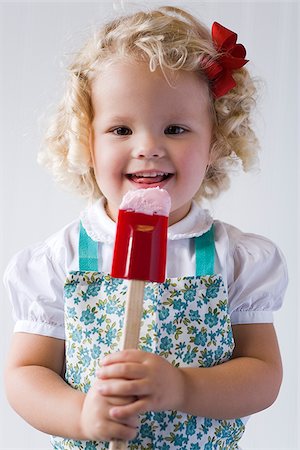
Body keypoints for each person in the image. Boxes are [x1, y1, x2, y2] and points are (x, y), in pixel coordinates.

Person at [3, 6, 288, 449]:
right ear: (87, 143)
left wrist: (182, 388)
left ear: (215, 141)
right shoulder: (61, 259)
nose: (148, 147)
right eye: (120, 129)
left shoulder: (236, 258)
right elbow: (25, 375)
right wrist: (81, 415)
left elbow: (263, 375)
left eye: (175, 128)